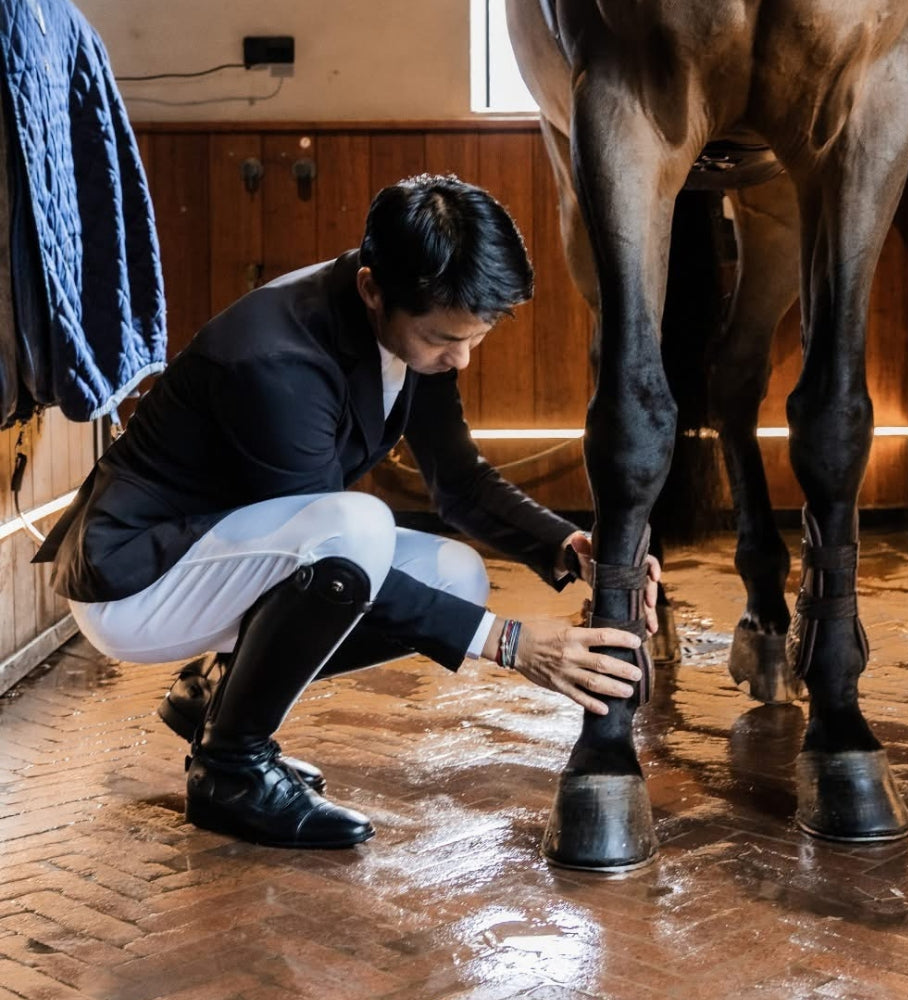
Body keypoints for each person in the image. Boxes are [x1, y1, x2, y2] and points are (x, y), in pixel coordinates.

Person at [35, 173, 659, 850]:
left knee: (457, 575)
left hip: (225, 555)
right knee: (357, 528)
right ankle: (230, 769)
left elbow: (457, 483)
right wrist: (513, 645)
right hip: (137, 582)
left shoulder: (407, 322)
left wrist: (569, 547)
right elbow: (329, 556)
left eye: (476, 338)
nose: (463, 358)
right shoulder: (276, 362)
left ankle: (216, 696)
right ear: (371, 289)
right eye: (448, 338)